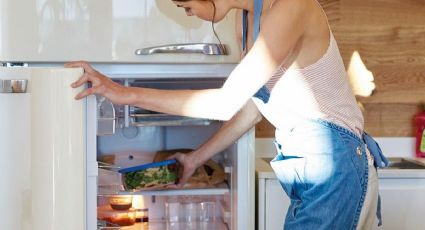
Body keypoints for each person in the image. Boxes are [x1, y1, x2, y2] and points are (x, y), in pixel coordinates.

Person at [66, 0, 388, 229]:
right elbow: (252, 108)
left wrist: (123, 93)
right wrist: (196, 158)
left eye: (187, 6)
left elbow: (224, 103)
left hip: (337, 168)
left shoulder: (292, 6)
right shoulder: (247, 21)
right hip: (312, 173)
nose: (191, 14)